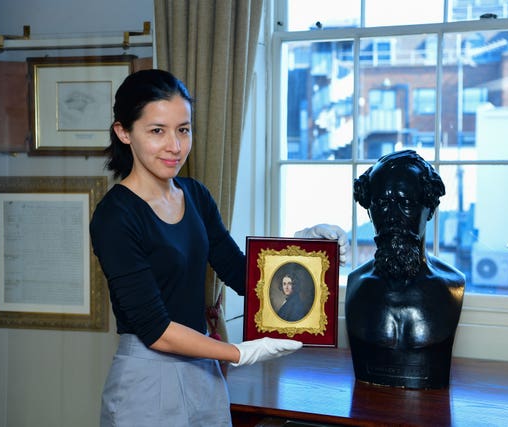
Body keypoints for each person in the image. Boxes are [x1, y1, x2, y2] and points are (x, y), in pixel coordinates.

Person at [89, 69, 352, 426]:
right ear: (124, 132)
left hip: (203, 369)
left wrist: (306, 253)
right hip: (147, 379)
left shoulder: (195, 195)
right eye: (157, 131)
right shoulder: (115, 216)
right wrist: (238, 353)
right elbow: (156, 328)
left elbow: (242, 274)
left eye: (183, 129)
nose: (175, 145)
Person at [345, 149, 465, 389]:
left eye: (406, 203)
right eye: (381, 204)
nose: (392, 216)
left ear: (429, 209)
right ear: (369, 210)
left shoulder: (453, 285)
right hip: (367, 403)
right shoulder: (356, 284)